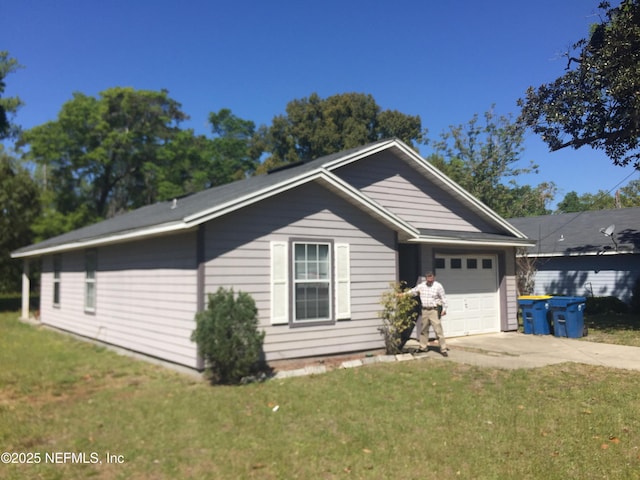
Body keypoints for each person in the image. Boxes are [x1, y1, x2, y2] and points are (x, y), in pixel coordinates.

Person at [406, 272, 449, 356]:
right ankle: (423, 347)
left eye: (431, 277)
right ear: (425, 278)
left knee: (438, 330)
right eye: (428, 277)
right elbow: (413, 291)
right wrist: (403, 295)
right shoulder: (422, 286)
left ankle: (443, 349)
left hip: (434, 310)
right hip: (425, 310)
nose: (429, 279)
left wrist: (445, 309)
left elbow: (443, 298)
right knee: (424, 330)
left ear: (434, 277)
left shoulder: (438, 286)